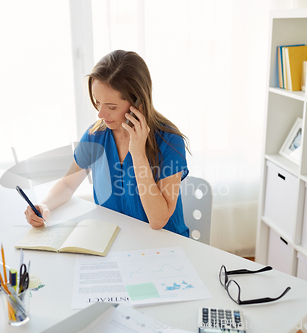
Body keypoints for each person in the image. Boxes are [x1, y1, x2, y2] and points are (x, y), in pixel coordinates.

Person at [24, 50, 191, 237]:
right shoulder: (96, 135)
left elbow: (158, 220)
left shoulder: (169, 141)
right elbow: (67, 184)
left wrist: (137, 152)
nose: (101, 114)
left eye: (111, 107)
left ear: (138, 103)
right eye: (98, 102)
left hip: (165, 245)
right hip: (116, 242)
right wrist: (44, 206)